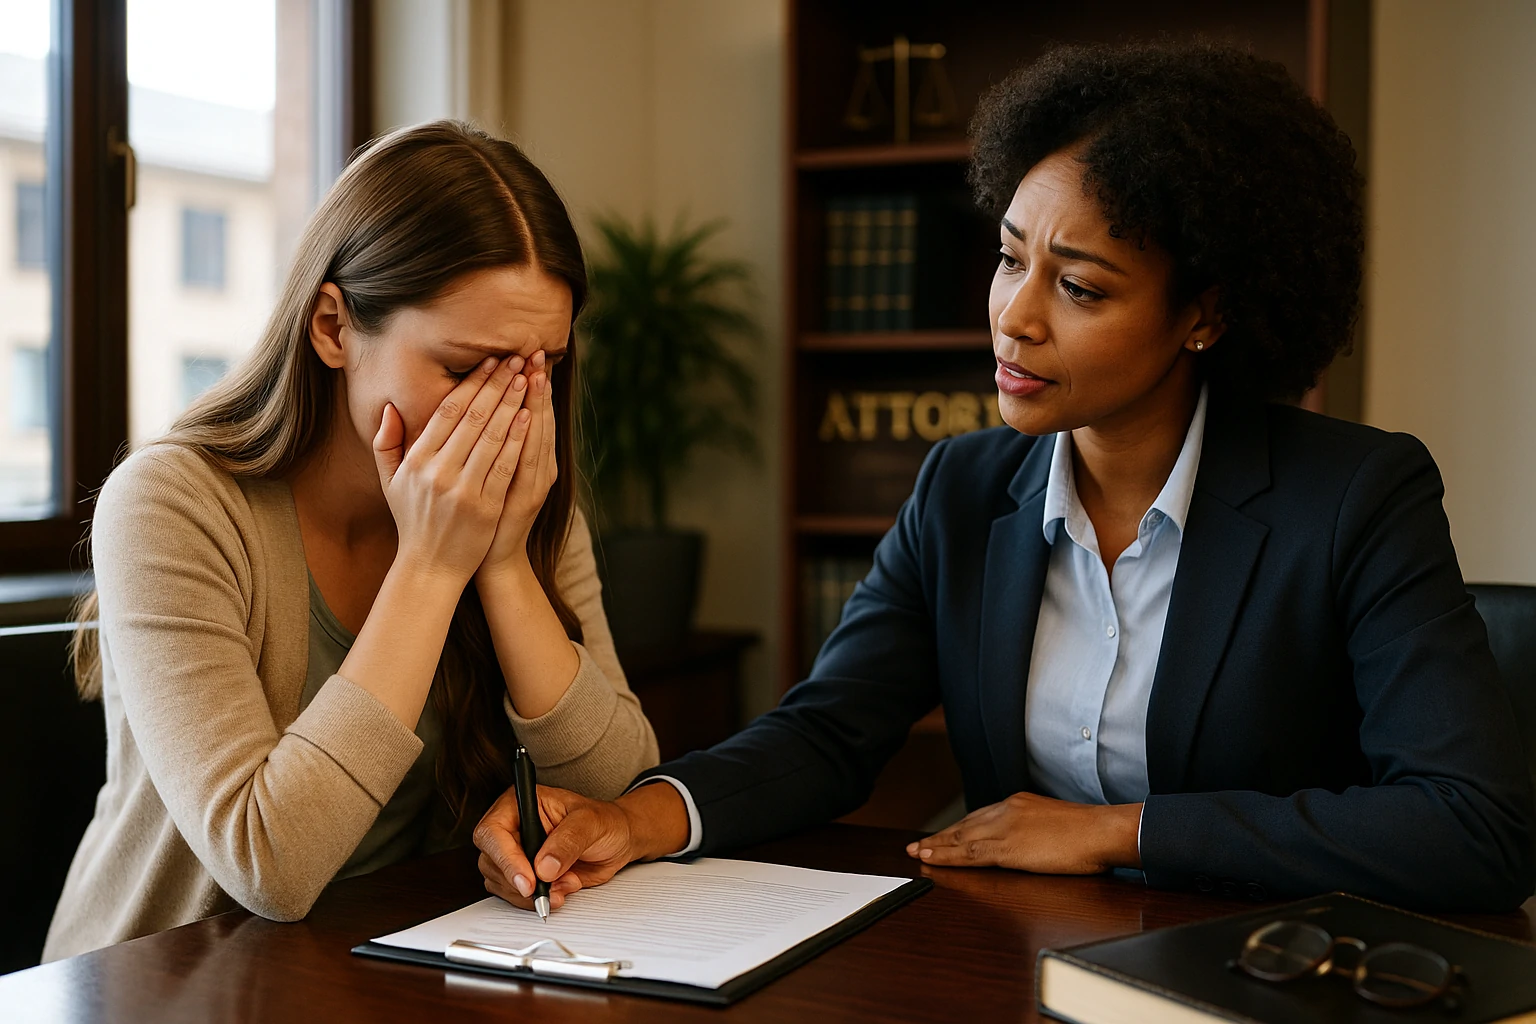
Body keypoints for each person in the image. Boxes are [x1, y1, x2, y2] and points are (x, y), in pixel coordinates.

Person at [472, 41, 1536, 915]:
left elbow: (1473, 824)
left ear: (1205, 314)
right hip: (1015, 962)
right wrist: (637, 815)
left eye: (1078, 286)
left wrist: (1112, 832)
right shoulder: (963, 491)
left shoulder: (1355, 497)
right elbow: (830, 732)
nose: (1015, 315)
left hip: (1265, 968)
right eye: (1009, 256)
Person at [45, 121, 658, 960]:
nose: (513, 412)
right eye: (464, 367)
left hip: (387, 970)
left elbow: (618, 786)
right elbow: (271, 867)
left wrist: (506, 565)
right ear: (334, 327)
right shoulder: (168, 507)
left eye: (542, 365)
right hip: (169, 982)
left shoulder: (524, 506)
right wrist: (435, 566)